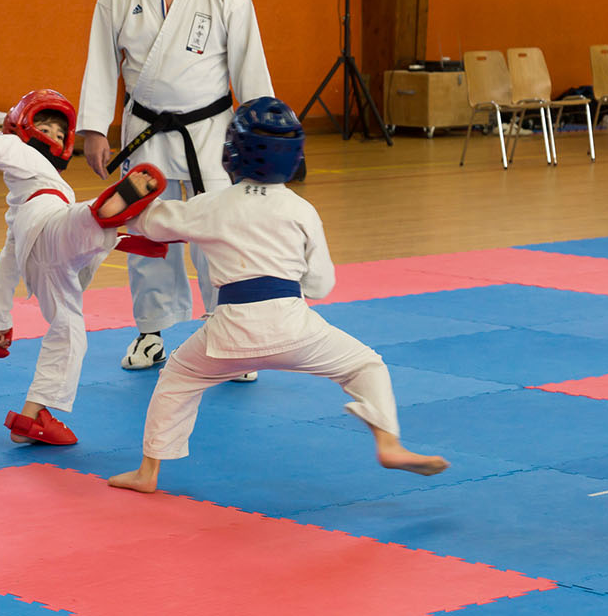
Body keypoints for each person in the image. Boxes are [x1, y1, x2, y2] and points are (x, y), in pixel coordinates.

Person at [107, 97, 448, 493]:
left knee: (178, 378)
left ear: (231, 152)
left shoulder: (211, 205)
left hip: (228, 334)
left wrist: (133, 194)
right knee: (365, 366)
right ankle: (388, 443)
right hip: (294, 328)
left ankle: (148, 472)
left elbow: (149, 224)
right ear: (294, 156)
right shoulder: (302, 210)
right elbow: (321, 285)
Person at [78, 0, 274, 374]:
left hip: (210, 130)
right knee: (148, 231)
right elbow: (101, 62)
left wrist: (261, 131)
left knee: (221, 232)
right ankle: (151, 333)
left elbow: (248, 61)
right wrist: (95, 129)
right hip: (145, 130)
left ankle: (230, 333)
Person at [0, 89, 166, 445]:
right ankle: (107, 216)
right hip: (53, 228)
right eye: (46, 128)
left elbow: (8, 265)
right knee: (76, 221)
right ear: (24, 129)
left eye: (61, 134)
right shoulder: (23, 153)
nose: (54, 137)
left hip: (44, 259)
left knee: (69, 331)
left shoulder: (19, 208)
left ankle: (32, 416)